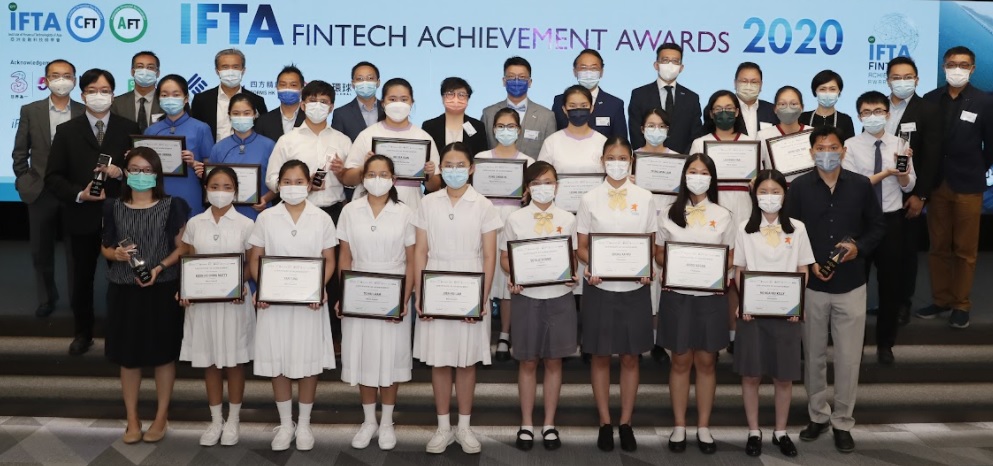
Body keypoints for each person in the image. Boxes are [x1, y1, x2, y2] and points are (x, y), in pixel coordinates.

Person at [785, 125, 885, 453]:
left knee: (848, 357)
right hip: (813, 285)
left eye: (833, 147)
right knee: (813, 354)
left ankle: (842, 421)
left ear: (843, 150)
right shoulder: (799, 188)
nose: (826, 153)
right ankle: (818, 415)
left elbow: (877, 227)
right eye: (820, 148)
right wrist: (809, 261)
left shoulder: (860, 185)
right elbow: (790, 232)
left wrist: (859, 248)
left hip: (851, 283)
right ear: (811, 152)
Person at [412, 142, 501, 455]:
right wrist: (420, 292)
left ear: (471, 168)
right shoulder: (428, 203)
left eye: (460, 165)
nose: (454, 171)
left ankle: (464, 427)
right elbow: (420, 251)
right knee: (439, 360)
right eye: (447, 165)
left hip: (470, 286)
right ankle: (442, 427)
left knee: (466, 361)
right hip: (435, 284)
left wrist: (482, 297)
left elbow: (489, 255)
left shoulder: (484, 205)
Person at [46, 68, 141, 355]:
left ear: (113, 94)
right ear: (82, 94)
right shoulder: (67, 131)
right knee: (82, 278)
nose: (99, 96)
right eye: (92, 91)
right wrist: (79, 194)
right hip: (82, 216)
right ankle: (82, 333)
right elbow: (53, 177)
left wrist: (122, 173)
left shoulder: (129, 128)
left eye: (105, 91)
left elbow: (144, 172)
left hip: (121, 217)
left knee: (124, 277)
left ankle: (123, 332)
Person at [100, 147, 190, 444]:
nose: (141, 175)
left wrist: (159, 267)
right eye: (135, 169)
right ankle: (132, 419)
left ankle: (161, 416)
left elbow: (184, 247)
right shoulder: (113, 206)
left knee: (164, 356)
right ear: (126, 172)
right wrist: (115, 254)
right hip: (123, 289)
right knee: (128, 358)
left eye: (147, 170)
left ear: (156, 174)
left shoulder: (173, 205)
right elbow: (105, 247)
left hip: (161, 289)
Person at [249, 159, 337, 452]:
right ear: (278, 185)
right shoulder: (266, 218)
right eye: (286, 182)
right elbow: (255, 258)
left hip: (309, 302)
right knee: (279, 360)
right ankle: (286, 423)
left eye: (299, 182)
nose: (293, 187)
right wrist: (262, 287)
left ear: (309, 184)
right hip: (274, 303)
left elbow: (330, 260)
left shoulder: (322, 218)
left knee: (308, 359)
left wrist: (318, 288)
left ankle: (305, 423)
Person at [577, 137, 657, 453]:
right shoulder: (589, 198)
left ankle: (625, 422)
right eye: (611, 157)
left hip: (634, 289)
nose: (617, 163)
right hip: (600, 288)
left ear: (631, 161)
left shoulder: (646, 197)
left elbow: (651, 244)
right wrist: (592, 264)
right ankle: (604, 422)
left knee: (630, 356)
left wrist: (646, 267)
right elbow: (582, 247)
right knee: (599, 355)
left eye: (623, 158)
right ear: (602, 161)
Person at [335, 155, 415, 451]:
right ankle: (369, 420)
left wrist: (405, 298)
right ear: (363, 178)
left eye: (383, 174)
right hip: (359, 291)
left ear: (394, 179)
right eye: (371, 174)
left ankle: (387, 422)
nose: (377, 179)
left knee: (390, 357)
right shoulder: (350, 210)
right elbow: (345, 256)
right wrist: (344, 294)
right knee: (364, 355)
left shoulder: (405, 212)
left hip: (393, 291)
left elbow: (412, 260)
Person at [656, 153, 734, 455]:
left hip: (710, 297)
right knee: (679, 361)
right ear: (684, 176)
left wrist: (712, 269)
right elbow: (658, 253)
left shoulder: (723, 214)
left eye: (703, 173)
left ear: (711, 178)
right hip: (677, 295)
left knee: (706, 362)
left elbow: (730, 256)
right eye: (692, 171)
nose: (697, 177)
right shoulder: (668, 212)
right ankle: (679, 425)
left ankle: (703, 426)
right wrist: (674, 263)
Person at [733, 169, 814, 458]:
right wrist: (745, 302)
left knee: (783, 377)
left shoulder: (798, 228)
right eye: (764, 192)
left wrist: (797, 303)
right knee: (751, 375)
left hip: (786, 313)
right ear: (755, 195)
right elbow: (739, 269)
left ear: (785, 194)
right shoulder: (744, 228)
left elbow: (803, 269)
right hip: (752, 314)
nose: (769, 197)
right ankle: (754, 431)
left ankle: (781, 431)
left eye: (775, 192)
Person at [501, 161, 578, 451]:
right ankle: (526, 423)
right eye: (536, 183)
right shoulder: (515, 219)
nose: (543, 188)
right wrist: (514, 276)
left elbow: (572, 258)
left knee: (554, 361)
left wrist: (573, 275)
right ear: (527, 187)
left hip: (559, 296)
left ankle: (549, 423)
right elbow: (505, 258)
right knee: (528, 361)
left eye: (548, 182)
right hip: (527, 298)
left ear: (557, 186)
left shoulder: (568, 218)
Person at [916, 46, 993, 329]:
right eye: (951, 64)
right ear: (943, 67)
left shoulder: (984, 101)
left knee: (964, 249)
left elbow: (990, 146)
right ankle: (941, 299)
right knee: (938, 247)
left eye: (963, 64)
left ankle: (961, 304)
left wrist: (977, 167)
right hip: (937, 184)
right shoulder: (930, 99)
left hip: (968, 184)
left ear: (972, 69)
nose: (957, 69)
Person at [178, 166, 254, 447]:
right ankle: (215, 420)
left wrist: (238, 283)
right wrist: (185, 289)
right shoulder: (195, 223)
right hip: (203, 305)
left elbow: (251, 264)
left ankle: (233, 420)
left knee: (234, 362)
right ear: (206, 189)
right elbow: (189, 260)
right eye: (215, 186)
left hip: (234, 302)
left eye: (227, 187)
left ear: (236, 191)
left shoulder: (247, 224)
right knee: (209, 361)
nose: (220, 192)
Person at [844, 91, 916, 365]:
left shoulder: (901, 144)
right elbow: (854, 187)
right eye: (866, 112)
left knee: (890, 285)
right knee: (856, 286)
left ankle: (886, 343)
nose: (872, 116)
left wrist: (903, 174)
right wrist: (886, 172)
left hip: (891, 221)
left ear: (887, 114)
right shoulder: (850, 145)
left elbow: (908, 186)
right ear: (859, 116)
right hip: (860, 223)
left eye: (878, 111)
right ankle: (856, 343)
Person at [11, 58, 84, 318]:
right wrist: (24, 179)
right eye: (55, 75)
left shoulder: (84, 111)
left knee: (76, 252)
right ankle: (46, 298)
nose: (61, 80)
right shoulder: (31, 110)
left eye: (66, 75)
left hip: (74, 191)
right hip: (40, 190)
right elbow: (20, 152)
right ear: (46, 79)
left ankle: (77, 299)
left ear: (74, 80)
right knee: (40, 251)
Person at [690, 90, 753, 354]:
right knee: (716, 275)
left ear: (737, 112)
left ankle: (738, 336)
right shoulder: (700, 143)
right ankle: (715, 337)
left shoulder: (751, 143)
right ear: (710, 113)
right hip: (711, 212)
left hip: (745, 210)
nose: (724, 113)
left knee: (739, 273)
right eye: (718, 108)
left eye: (729, 108)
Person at [883, 56, 941, 326]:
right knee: (883, 253)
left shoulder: (928, 110)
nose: (902, 82)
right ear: (888, 80)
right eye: (896, 77)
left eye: (908, 77)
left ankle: (902, 304)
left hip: (910, 193)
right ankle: (886, 302)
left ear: (917, 80)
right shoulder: (878, 108)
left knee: (906, 252)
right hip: (880, 193)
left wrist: (922, 196)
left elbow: (932, 158)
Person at [475, 108, 536, 361]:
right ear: (493, 129)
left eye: (511, 126)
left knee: (509, 280)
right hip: (482, 223)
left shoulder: (528, 162)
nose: (506, 131)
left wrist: (529, 194)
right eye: (501, 126)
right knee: (484, 276)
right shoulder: (480, 159)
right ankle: (480, 331)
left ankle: (504, 335)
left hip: (514, 222)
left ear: (519, 130)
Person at [342, 78, 442, 211]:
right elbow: (348, 180)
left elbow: (434, 186)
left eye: (404, 99)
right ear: (383, 103)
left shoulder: (423, 138)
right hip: (368, 207)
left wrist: (429, 175)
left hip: (410, 206)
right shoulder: (368, 135)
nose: (398, 104)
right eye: (392, 99)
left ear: (412, 103)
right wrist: (364, 167)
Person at [634, 107, 677, 363]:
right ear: (642, 129)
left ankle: (660, 339)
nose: (656, 131)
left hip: (669, 226)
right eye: (651, 126)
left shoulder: (678, 160)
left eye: (661, 126)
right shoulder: (632, 158)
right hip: (639, 228)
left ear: (668, 130)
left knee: (664, 284)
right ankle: (643, 337)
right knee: (644, 283)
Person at [145, 74, 214, 218]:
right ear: (159, 99)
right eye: (165, 95)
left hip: (190, 193)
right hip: (157, 194)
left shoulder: (201, 128)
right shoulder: (151, 131)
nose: (170, 99)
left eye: (176, 95)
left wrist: (195, 164)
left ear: (186, 98)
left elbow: (211, 169)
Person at [207, 94, 276, 220]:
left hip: (259, 213)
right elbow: (211, 183)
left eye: (246, 113)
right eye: (236, 113)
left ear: (255, 114)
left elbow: (278, 182)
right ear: (229, 115)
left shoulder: (269, 146)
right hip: (225, 214)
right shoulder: (218, 148)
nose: (241, 117)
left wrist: (265, 199)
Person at [628, 42, 702, 153]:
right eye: (665, 60)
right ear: (656, 65)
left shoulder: (692, 98)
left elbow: (695, 135)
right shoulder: (639, 95)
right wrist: (645, 157)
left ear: (681, 68)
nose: (670, 65)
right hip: (647, 159)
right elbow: (635, 132)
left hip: (682, 159)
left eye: (675, 61)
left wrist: (683, 159)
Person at [481, 56, 557, 157]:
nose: (516, 80)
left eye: (522, 77)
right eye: (511, 76)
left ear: (530, 82)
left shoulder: (546, 116)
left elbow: (551, 154)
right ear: (504, 81)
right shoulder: (489, 114)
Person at [190, 48, 268, 142]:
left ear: (243, 70)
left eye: (235, 67)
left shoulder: (257, 100)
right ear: (217, 71)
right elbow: (194, 132)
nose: (230, 71)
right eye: (225, 67)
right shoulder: (201, 100)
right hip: (212, 151)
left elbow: (263, 132)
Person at [552, 49, 627, 138]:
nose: (588, 73)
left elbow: (620, 141)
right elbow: (554, 135)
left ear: (601, 72)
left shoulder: (614, 104)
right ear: (575, 72)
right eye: (583, 68)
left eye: (594, 68)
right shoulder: (559, 101)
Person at [539, 85, 609, 174]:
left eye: (584, 105)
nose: (578, 110)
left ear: (591, 108)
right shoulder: (551, 142)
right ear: (564, 109)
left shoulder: (603, 142)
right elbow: (541, 175)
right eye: (572, 106)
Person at [422, 77, 488, 156]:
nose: (456, 99)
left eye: (461, 95)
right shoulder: (429, 126)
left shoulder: (477, 127)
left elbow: (481, 157)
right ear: (442, 98)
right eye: (450, 94)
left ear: (468, 99)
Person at [757, 86, 810, 183]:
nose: (788, 108)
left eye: (793, 104)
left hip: (807, 190)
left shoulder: (813, 134)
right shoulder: (763, 136)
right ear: (775, 109)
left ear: (802, 108)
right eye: (782, 104)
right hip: (776, 190)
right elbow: (758, 171)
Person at [332, 61, 385, 141]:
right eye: (360, 79)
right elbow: (337, 144)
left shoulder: (387, 110)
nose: (365, 82)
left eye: (370, 78)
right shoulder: (341, 113)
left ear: (378, 82)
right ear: (353, 84)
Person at [110, 51, 162, 132]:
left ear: (158, 73)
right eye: (140, 67)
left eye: (150, 67)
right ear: (132, 72)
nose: (145, 71)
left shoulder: (165, 102)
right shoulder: (117, 104)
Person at [799, 70, 855, 143]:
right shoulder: (803, 118)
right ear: (815, 92)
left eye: (832, 89)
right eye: (822, 89)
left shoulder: (845, 120)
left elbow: (850, 147)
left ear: (839, 92)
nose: (827, 93)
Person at [254, 65, 306, 142]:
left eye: (293, 85)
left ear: (302, 89)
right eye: (283, 85)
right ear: (277, 87)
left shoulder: (310, 118)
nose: (287, 88)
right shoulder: (264, 121)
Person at [734, 62, 778, 137]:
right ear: (735, 83)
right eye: (744, 81)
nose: (749, 86)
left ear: (761, 85)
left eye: (754, 82)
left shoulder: (773, 111)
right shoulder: (725, 109)